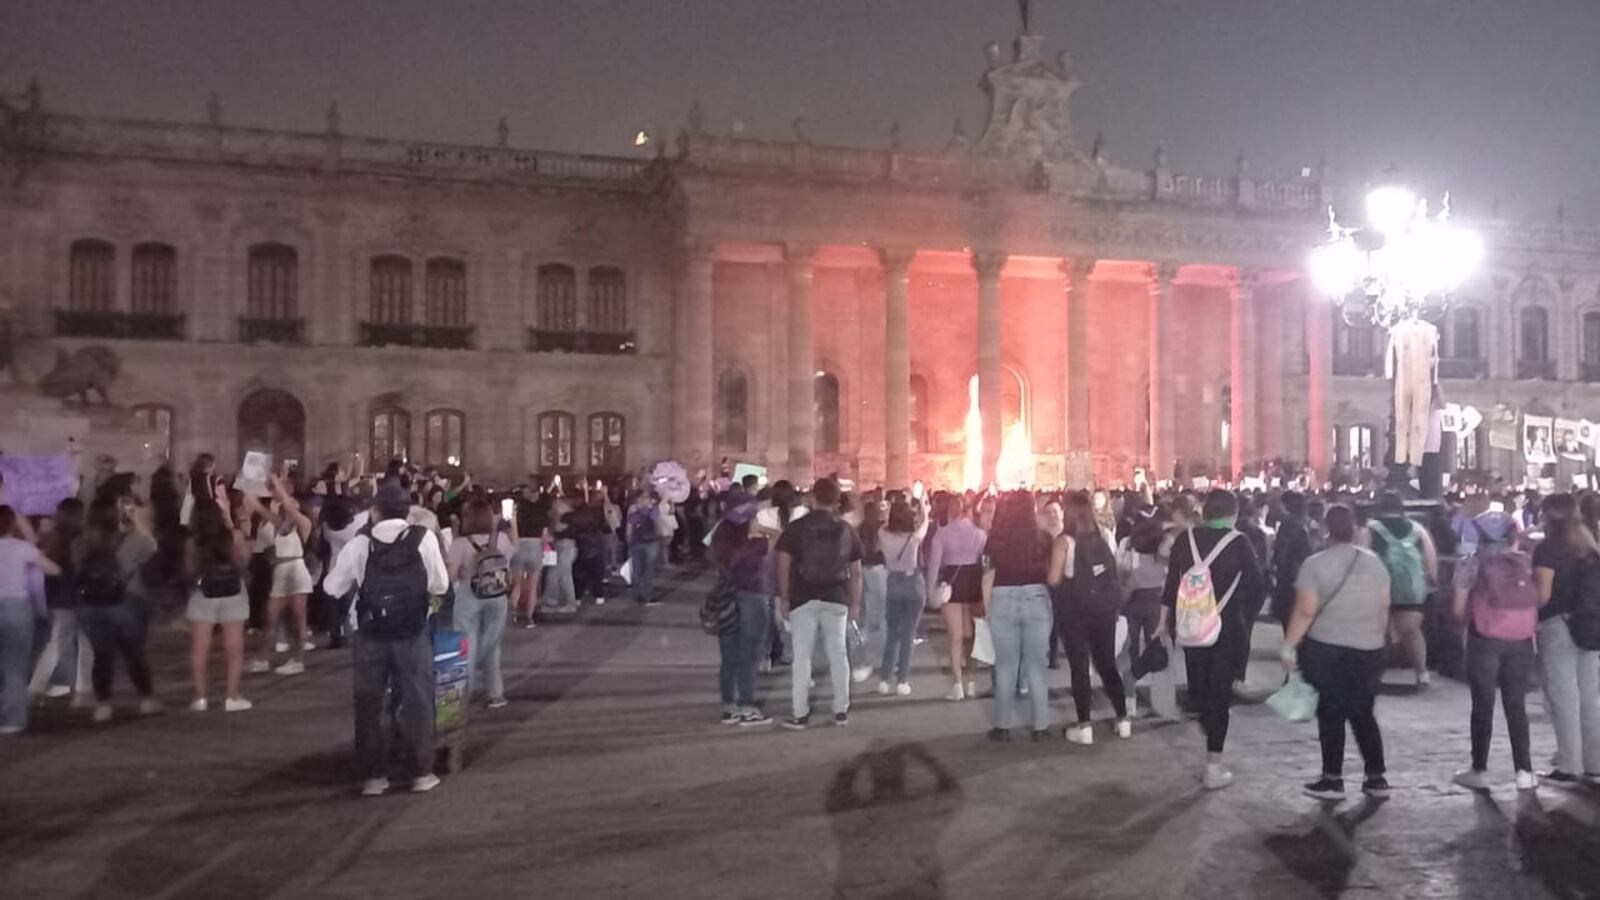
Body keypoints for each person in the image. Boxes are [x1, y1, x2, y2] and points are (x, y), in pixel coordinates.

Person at [324, 483, 450, 797]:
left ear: (375, 511)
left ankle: (374, 776)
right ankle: (421, 772)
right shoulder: (424, 538)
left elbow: (332, 587)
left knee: (370, 702)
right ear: (408, 511)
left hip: (371, 632)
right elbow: (440, 584)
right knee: (417, 699)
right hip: (412, 630)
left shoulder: (360, 543)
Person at [1282, 504, 1393, 801]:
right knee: (1364, 712)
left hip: (1326, 647)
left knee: (1331, 712)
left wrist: (1289, 645)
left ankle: (1333, 778)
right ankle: (1376, 777)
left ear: (1325, 528)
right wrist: (1377, 637)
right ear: (1354, 528)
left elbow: (1305, 611)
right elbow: (1384, 606)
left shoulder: (1314, 564)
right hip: (1368, 647)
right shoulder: (1374, 562)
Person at [1160, 489, 1265, 790]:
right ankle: (1213, 767)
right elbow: (1257, 589)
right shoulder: (1239, 543)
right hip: (1227, 629)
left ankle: (1207, 722)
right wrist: (1243, 615)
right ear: (1233, 514)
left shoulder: (1185, 540)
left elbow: (1171, 586)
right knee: (1220, 695)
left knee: (1201, 688)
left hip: (1191, 626)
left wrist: (1163, 623)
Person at [1450, 510, 1539, 792]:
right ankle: (1524, 771)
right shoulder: (1525, 562)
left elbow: (1457, 609)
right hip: (1522, 639)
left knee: (1483, 704)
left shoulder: (1470, 563)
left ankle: (1479, 769)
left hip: (1484, 639)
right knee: (1516, 705)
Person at [776, 478, 863, 730]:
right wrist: (855, 603)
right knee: (838, 654)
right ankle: (841, 709)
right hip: (836, 596)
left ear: (812, 498)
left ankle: (800, 713)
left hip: (803, 596)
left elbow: (783, 566)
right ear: (837, 501)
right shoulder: (847, 530)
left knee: (802, 656)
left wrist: (784, 597)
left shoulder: (795, 528)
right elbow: (856, 572)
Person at [1049, 492, 1130, 744]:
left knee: (1080, 667)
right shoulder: (1103, 535)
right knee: (1107, 664)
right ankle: (1123, 719)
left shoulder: (1064, 541)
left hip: (1075, 612)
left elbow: (1054, 579)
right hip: (1103, 610)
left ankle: (1084, 726)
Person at [1531, 494, 1600, 786]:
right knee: (1590, 697)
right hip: (1590, 626)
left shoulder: (1547, 549)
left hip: (1559, 625)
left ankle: (1568, 764)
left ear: (1546, 517)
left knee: (1563, 696)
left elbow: (1543, 596)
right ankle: (1594, 762)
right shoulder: (1589, 545)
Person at [74, 494, 160, 723]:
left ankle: (103, 705)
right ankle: (146, 699)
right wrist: (137, 521)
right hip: (127, 600)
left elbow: (75, 568)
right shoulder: (132, 540)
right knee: (134, 654)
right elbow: (152, 547)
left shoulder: (81, 543)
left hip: (91, 604)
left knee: (102, 656)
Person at [984, 492, 1055, 741]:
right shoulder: (1043, 538)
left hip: (1002, 597)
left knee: (1005, 666)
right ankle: (1041, 726)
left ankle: (1002, 726)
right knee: (1037, 666)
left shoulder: (995, 540)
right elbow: (1050, 573)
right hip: (1036, 598)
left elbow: (987, 575)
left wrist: (987, 610)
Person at [446, 497, 516, 709]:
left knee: (467, 643)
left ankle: (465, 693)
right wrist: (513, 522)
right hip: (497, 594)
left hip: (469, 594)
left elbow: (450, 575)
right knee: (493, 644)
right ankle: (495, 693)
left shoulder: (460, 543)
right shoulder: (500, 538)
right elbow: (513, 552)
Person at [708, 497, 773, 725]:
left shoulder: (720, 540)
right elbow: (780, 537)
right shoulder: (756, 544)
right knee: (750, 655)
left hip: (726, 598)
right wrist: (761, 528)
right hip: (752, 598)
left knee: (729, 657)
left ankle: (729, 707)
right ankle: (747, 707)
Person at [184, 496, 253, 712]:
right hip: (233, 592)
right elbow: (243, 562)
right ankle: (231, 697)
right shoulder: (234, 536)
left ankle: (200, 698)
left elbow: (190, 569)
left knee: (199, 648)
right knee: (234, 648)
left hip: (204, 593)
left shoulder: (193, 542)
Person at [1367, 491, 1439, 688]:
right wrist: (1431, 582)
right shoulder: (1418, 529)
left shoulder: (1370, 529)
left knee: (1377, 632)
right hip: (1411, 591)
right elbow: (1431, 561)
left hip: (1377, 588)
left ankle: (1374, 673)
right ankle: (1422, 674)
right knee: (1412, 632)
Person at [0, 506, 60, 734]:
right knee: (15, 665)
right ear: (12, 525)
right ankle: (13, 719)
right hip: (17, 607)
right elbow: (52, 569)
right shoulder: (21, 548)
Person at [247, 476, 315, 676]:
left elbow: (289, 508)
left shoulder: (304, 523)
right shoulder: (279, 524)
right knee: (271, 617)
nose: (287, 508)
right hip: (280, 572)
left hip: (296, 571)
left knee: (299, 619)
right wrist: (250, 489)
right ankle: (263, 659)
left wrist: (278, 485)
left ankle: (298, 660)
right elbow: (258, 508)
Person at [926, 494, 987, 701]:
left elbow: (934, 566)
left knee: (955, 637)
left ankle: (957, 685)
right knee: (971, 636)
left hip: (951, 586)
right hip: (973, 585)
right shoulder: (979, 534)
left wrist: (931, 593)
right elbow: (986, 564)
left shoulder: (942, 534)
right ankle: (972, 682)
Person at [28, 498, 87, 704]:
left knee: (59, 643)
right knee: (75, 645)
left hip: (58, 598)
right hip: (76, 597)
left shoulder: (54, 539)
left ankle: (46, 686)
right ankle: (41, 688)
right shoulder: (79, 539)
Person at [876, 499, 925, 697]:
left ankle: (884, 679)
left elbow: (883, 525)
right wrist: (924, 507)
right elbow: (925, 524)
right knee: (908, 634)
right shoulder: (914, 537)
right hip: (913, 582)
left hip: (893, 582)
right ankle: (902, 680)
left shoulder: (882, 534)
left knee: (892, 633)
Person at [853, 497, 887, 683]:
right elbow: (879, 549)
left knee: (867, 607)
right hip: (877, 569)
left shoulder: (858, 528)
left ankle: (865, 639)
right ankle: (877, 653)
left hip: (863, 568)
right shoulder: (880, 529)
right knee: (879, 609)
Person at [625, 490, 662, 607]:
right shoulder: (642, 511)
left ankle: (641, 595)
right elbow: (657, 524)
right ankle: (645, 596)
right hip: (646, 542)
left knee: (641, 570)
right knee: (644, 570)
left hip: (642, 542)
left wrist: (629, 542)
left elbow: (629, 529)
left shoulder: (638, 511)